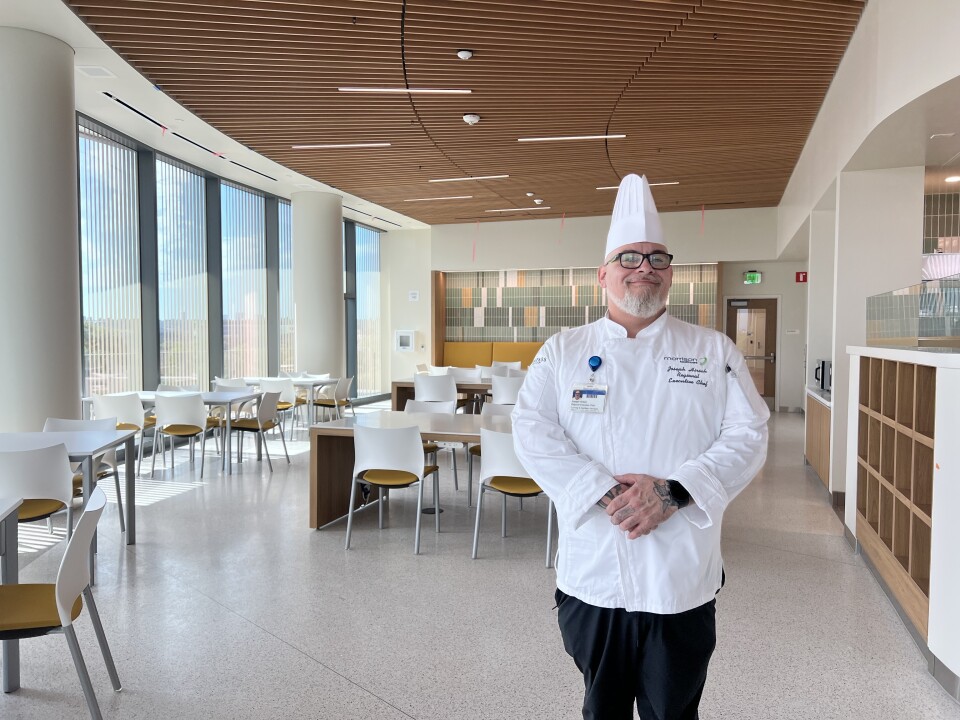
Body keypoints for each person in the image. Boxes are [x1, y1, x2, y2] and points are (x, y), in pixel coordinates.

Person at [512, 173, 769, 720]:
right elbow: (532, 430)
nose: (644, 268)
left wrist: (672, 493)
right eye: (629, 257)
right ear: (603, 274)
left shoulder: (711, 350)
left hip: (680, 578)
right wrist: (609, 495)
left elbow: (748, 435)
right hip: (594, 573)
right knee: (600, 709)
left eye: (657, 258)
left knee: (673, 711)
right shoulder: (564, 351)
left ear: (671, 274)